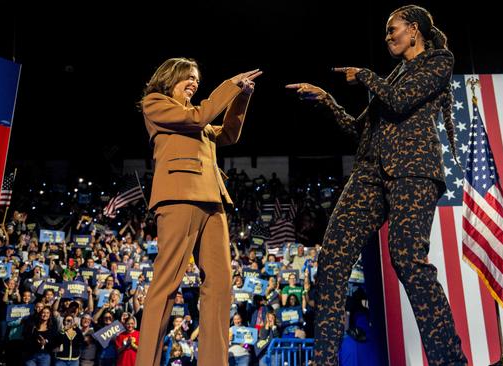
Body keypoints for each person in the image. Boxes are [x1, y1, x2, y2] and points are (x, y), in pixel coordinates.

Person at [286, 5, 467, 365]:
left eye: (392, 30)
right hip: (369, 174)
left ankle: (450, 360)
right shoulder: (394, 75)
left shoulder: (438, 61)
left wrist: (366, 75)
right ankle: (324, 360)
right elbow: (358, 129)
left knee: (407, 259)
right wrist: (327, 100)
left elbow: (401, 102)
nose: (387, 37)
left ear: (414, 30)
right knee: (332, 259)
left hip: (413, 172)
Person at [135, 57, 262, 366]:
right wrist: (229, 85)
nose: (193, 81)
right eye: (187, 76)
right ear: (170, 78)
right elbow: (198, 117)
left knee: (220, 286)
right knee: (166, 284)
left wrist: (242, 95)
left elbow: (229, 134)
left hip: (213, 199)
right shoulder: (156, 103)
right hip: (179, 197)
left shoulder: (198, 119)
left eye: (196, 77)